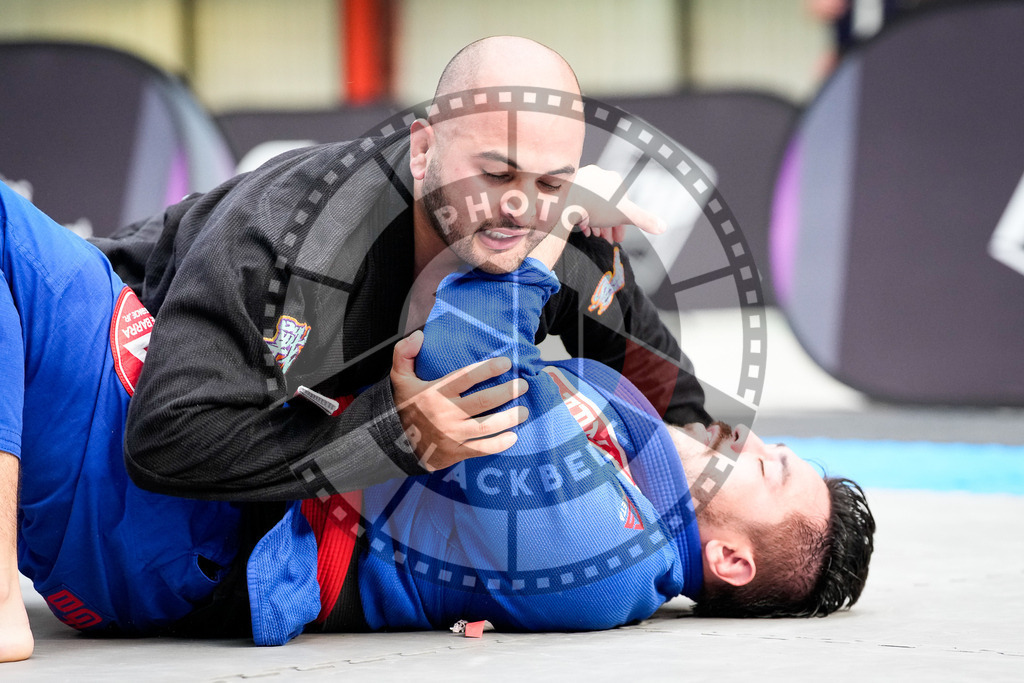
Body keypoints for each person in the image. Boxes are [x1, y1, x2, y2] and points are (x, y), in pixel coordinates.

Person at [0, 180, 875, 657]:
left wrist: (529, 223)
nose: (750, 442)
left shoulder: (604, 554)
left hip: (200, 529)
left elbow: (462, 351)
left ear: (729, 557)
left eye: (770, 469)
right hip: (228, 468)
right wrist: (587, 245)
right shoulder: (638, 441)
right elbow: (619, 338)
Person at [104, 36, 710, 510]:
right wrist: (395, 437)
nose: (520, 207)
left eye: (551, 182)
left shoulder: (554, 235)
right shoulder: (290, 237)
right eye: (496, 175)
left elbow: (670, 397)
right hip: (101, 354)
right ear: (424, 150)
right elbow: (166, 440)